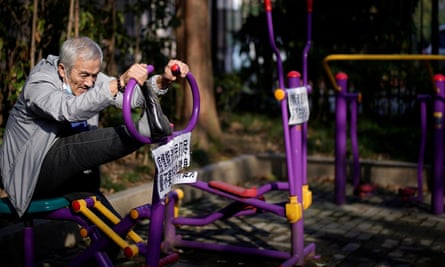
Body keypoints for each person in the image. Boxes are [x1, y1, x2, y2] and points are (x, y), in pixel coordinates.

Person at [0, 36, 189, 217]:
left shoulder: (88, 77)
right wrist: (118, 83)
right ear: (61, 69)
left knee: (114, 234)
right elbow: (68, 109)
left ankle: (112, 247)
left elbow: (131, 99)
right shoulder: (39, 83)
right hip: (29, 178)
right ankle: (139, 132)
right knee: (71, 147)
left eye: (94, 75)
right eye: (84, 75)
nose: (90, 82)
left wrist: (163, 80)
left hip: (73, 177)